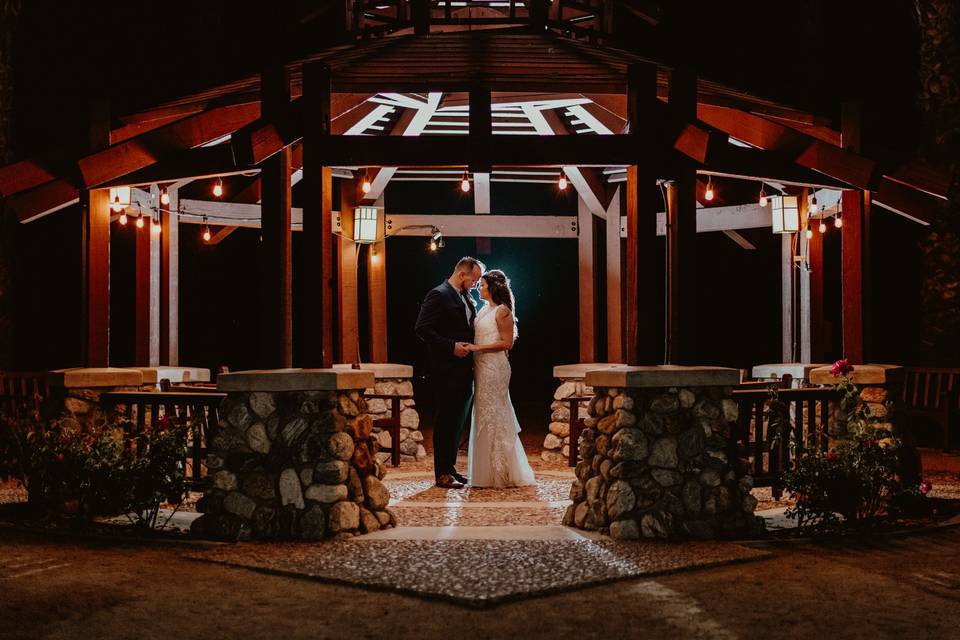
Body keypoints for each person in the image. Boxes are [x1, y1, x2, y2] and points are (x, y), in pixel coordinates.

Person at [414, 256, 484, 489]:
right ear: (462, 274)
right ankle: (441, 474)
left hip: (463, 370)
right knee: (445, 421)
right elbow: (422, 328)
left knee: (457, 422)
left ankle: (450, 468)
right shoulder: (439, 294)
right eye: (473, 280)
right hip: (444, 369)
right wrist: (451, 346)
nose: (474, 285)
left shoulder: (464, 297)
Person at [465, 269, 536, 488]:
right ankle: (483, 471)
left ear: (493, 287)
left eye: (483, 285)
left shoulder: (503, 311)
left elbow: (507, 344)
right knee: (483, 411)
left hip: (495, 368)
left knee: (495, 412)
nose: (479, 288)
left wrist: (478, 348)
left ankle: (501, 470)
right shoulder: (485, 309)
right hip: (481, 367)